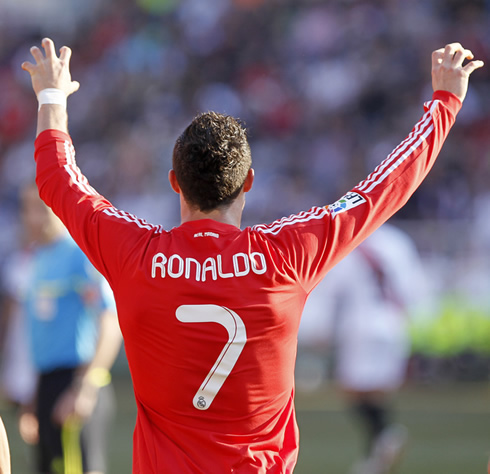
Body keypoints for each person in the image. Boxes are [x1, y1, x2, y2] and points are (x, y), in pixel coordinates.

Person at [21, 37, 482, 473]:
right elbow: (382, 190)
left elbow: (58, 179)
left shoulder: (136, 254)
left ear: (175, 182)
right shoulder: (286, 254)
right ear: (248, 182)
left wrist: (51, 98)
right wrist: (445, 102)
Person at [5, 183, 122, 474]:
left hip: (76, 382)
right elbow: (41, 334)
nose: (33, 218)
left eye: (41, 210)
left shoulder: (81, 255)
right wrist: (34, 396)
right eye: (27, 210)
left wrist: (85, 388)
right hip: (46, 386)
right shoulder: (35, 261)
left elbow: (110, 322)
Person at [299, 223, 432, 474]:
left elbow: (334, 290)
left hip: (360, 325)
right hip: (393, 323)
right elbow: (414, 287)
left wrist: (322, 328)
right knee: (377, 392)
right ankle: (377, 455)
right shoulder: (398, 240)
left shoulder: (350, 240)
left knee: (353, 389)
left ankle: (385, 435)